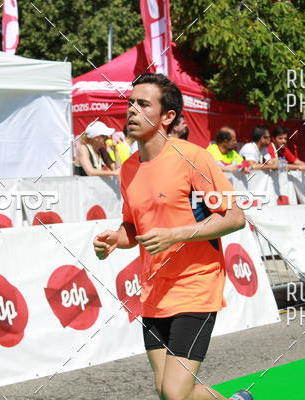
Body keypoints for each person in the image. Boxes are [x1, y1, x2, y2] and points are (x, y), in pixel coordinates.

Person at [93, 73, 253, 400]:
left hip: (196, 283)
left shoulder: (192, 157)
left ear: (167, 116)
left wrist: (176, 235)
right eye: (130, 103)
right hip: (154, 288)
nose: (132, 110)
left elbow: (235, 216)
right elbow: (133, 228)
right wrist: (115, 240)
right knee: (165, 391)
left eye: (143, 104)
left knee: (175, 392)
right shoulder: (128, 168)